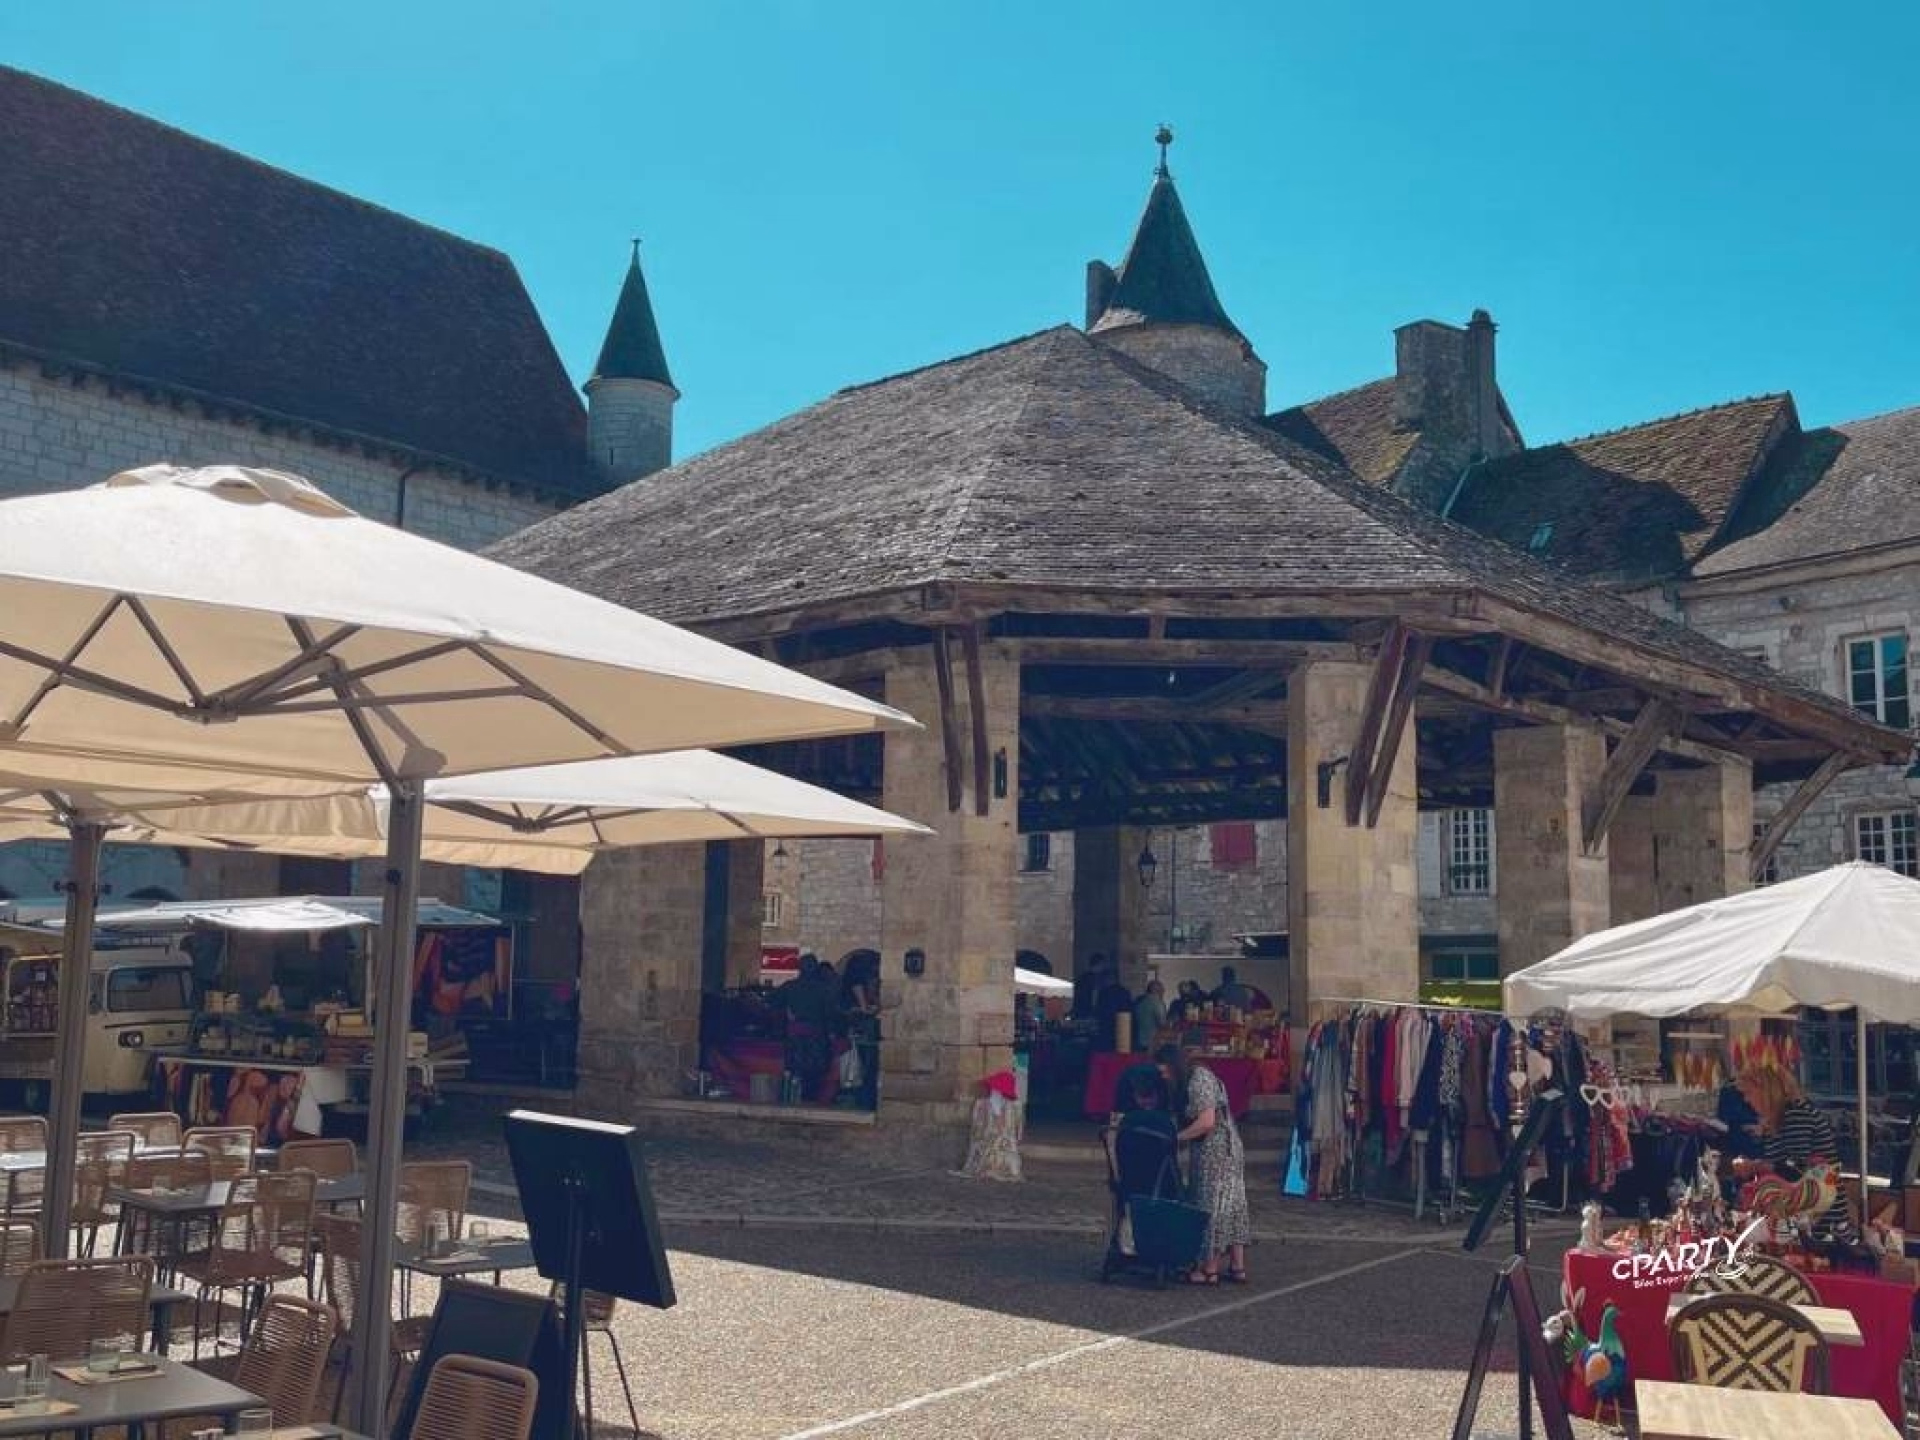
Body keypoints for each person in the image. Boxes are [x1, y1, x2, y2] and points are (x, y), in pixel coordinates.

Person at [1157, 1043, 1251, 1284]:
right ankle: (1237, 1266)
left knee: (1211, 1205)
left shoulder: (1198, 1079)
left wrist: (1177, 1138)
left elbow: (1207, 1121)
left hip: (1217, 1149)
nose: (1163, 1075)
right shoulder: (1198, 1077)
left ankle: (1210, 1268)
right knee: (1233, 1204)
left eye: (1164, 1070)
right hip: (1223, 1146)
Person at [1738, 1065, 1851, 1233]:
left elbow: (1795, 1170)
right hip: (1805, 1222)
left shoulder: (1796, 1115)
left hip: (1820, 1226)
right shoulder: (1782, 1116)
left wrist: (1756, 1167)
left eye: (1749, 1092)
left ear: (1767, 1089)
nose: (1746, 1099)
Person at [1094, 964, 1134, 1052]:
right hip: (1124, 1029)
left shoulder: (1104, 993)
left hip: (1106, 1030)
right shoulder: (1125, 992)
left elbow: (1099, 1012)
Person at [1133, 980, 1167, 1053]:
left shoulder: (1140, 1002)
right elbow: (1162, 1024)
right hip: (1152, 1043)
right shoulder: (1157, 1003)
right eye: (1162, 990)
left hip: (1138, 1042)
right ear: (1156, 990)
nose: (1163, 992)